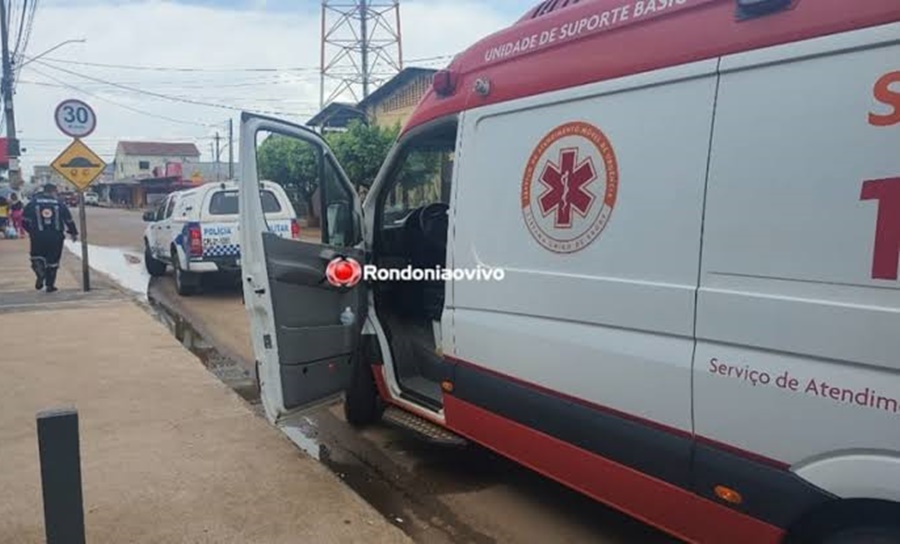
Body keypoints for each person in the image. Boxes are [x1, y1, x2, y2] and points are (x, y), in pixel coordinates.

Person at [22, 184, 78, 293]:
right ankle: (50, 285)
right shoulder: (60, 204)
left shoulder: (32, 204)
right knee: (53, 261)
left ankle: (40, 272)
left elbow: (24, 221)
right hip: (55, 237)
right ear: (54, 191)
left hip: (38, 236)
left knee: (37, 256)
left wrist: (32, 232)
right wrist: (73, 233)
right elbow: (68, 220)